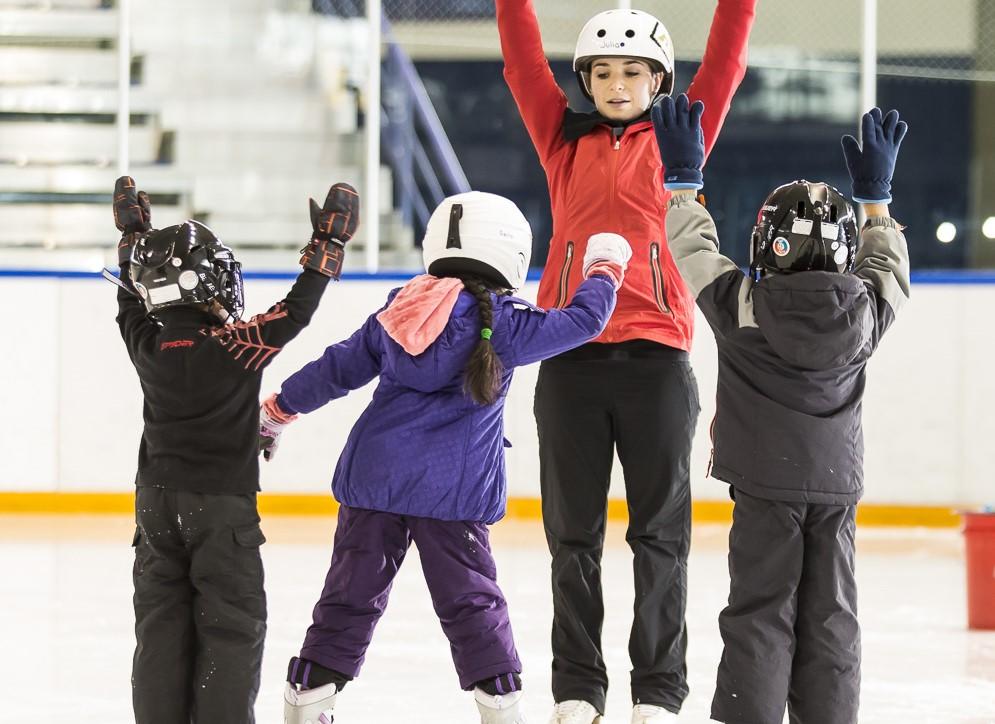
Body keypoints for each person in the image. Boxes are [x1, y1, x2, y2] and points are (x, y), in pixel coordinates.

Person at [263, 191, 632, 724]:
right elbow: (584, 321)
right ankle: (499, 707)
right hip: (452, 493)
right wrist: (604, 265)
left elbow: (336, 368)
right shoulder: (503, 323)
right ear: (510, 250)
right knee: (470, 602)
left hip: (375, 480)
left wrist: (278, 410)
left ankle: (307, 702)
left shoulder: (400, 308)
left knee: (349, 592)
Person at [494, 1, 757, 721]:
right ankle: (578, 688)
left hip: (658, 362)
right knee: (570, 539)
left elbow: (727, 63)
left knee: (659, 539)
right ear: (585, 80)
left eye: (632, 71)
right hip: (570, 360)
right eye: (602, 71)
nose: (616, 84)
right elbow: (522, 66)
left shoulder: (684, 141)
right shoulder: (561, 142)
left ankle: (658, 692)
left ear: (659, 80)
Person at [652, 96, 910, 724]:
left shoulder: (742, 305)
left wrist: (684, 184)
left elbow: (692, 253)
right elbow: (890, 269)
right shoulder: (866, 314)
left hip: (766, 485)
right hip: (835, 486)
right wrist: (876, 201)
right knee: (832, 616)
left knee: (762, 610)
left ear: (768, 242)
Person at [112, 175, 359, 723]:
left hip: (154, 505)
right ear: (204, 283)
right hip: (221, 509)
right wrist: (328, 248)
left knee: (159, 627)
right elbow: (295, 313)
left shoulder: (147, 344)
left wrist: (133, 239)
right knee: (230, 627)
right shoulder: (233, 345)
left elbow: (129, 301)